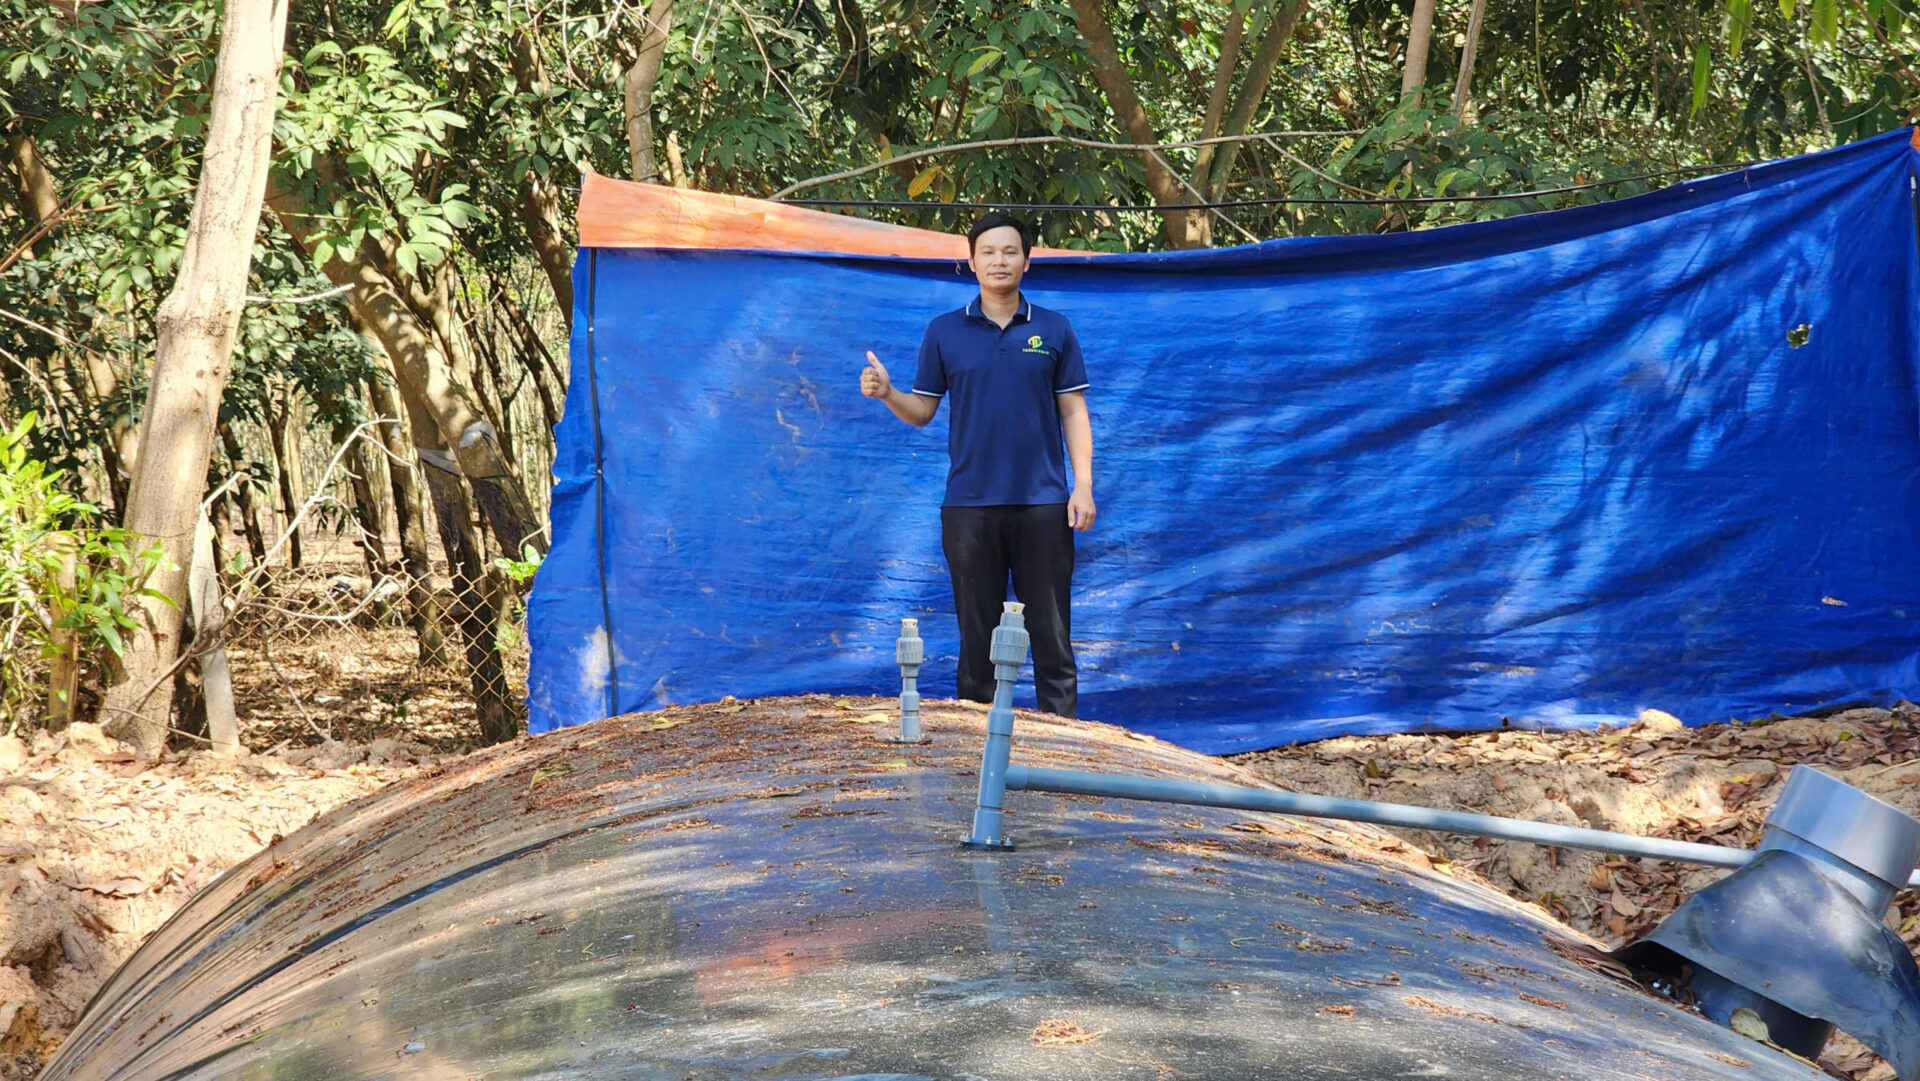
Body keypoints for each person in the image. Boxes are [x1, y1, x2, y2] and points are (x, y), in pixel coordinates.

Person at [860, 212, 1094, 718]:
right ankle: (974, 747)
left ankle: (1064, 746)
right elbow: (922, 411)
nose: (999, 260)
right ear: (972, 262)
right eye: (988, 252)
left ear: (1027, 261)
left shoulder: (1054, 328)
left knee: (1052, 637)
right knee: (977, 640)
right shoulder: (945, 331)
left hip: (1044, 505)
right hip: (969, 508)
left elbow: (1074, 412)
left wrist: (1083, 486)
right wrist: (888, 393)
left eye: (1010, 251)